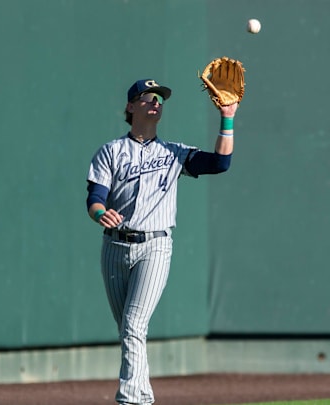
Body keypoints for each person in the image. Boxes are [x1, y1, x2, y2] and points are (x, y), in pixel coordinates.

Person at [85, 78, 238, 405]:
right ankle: (143, 398)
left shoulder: (174, 152)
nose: (156, 102)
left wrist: (228, 118)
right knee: (129, 331)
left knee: (133, 325)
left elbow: (220, 163)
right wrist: (100, 214)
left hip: (154, 246)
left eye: (160, 98)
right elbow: (95, 198)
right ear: (130, 107)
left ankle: (130, 401)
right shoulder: (111, 151)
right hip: (114, 247)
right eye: (147, 97)